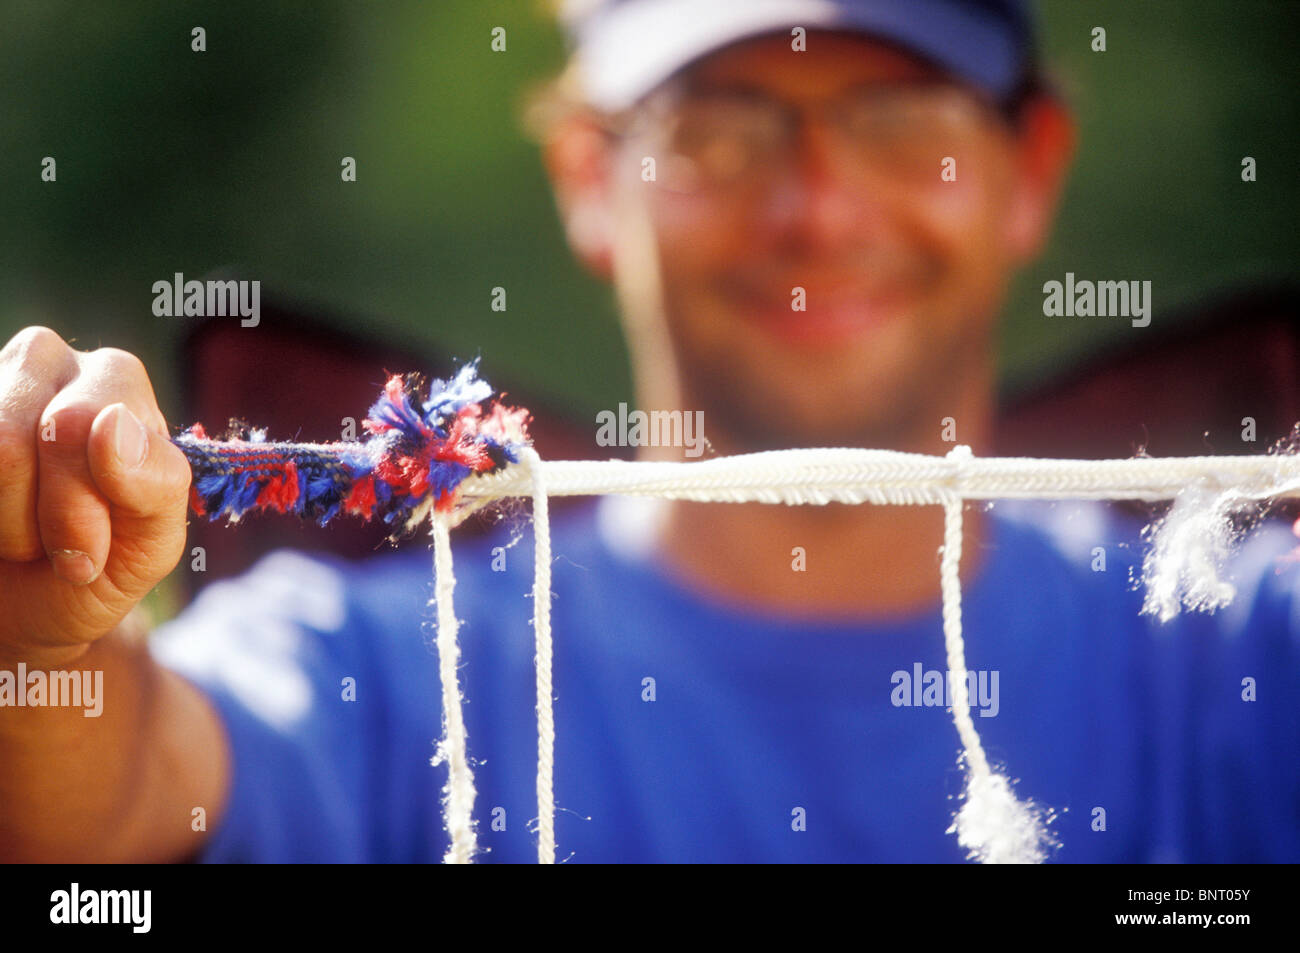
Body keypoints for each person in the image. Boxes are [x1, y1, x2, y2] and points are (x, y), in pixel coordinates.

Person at [1, 0, 1297, 863]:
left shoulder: (1238, 661)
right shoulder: (384, 672)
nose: (815, 209)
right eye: (718, 130)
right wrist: (33, 627)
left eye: (903, 124)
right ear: (588, 177)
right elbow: (105, 792)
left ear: (1032, 172)